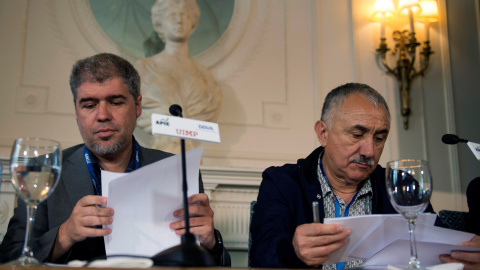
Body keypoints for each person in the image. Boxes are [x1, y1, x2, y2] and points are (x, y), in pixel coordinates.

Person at [0, 53, 230, 266]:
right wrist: (65, 234)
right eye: (89, 105)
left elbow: (212, 263)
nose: (102, 116)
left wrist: (210, 242)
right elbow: (9, 257)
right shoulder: (42, 169)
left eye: (116, 102)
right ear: (76, 111)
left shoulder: (178, 170)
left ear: (137, 106)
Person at [250, 83, 480, 269]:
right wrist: (293, 251)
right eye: (357, 134)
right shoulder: (282, 182)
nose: (369, 151)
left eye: (379, 138)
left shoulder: (400, 185)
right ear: (323, 133)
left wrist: (464, 256)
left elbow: (435, 250)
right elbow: (261, 256)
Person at [135, 0, 222, 154]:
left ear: (193, 24)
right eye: (172, 16)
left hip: (190, 153)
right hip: (160, 150)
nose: (179, 20)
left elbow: (207, 108)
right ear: (160, 24)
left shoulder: (205, 76)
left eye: (184, 15)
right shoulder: (143, 68)